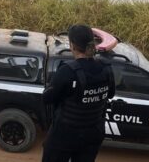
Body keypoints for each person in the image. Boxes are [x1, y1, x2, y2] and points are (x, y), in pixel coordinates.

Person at [42, 24, 116, 162]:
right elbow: (110, 94)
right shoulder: (106, 68)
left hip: (65, 135)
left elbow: (47, 98)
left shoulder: (67, 71)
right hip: (93, 133)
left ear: (72, 45)